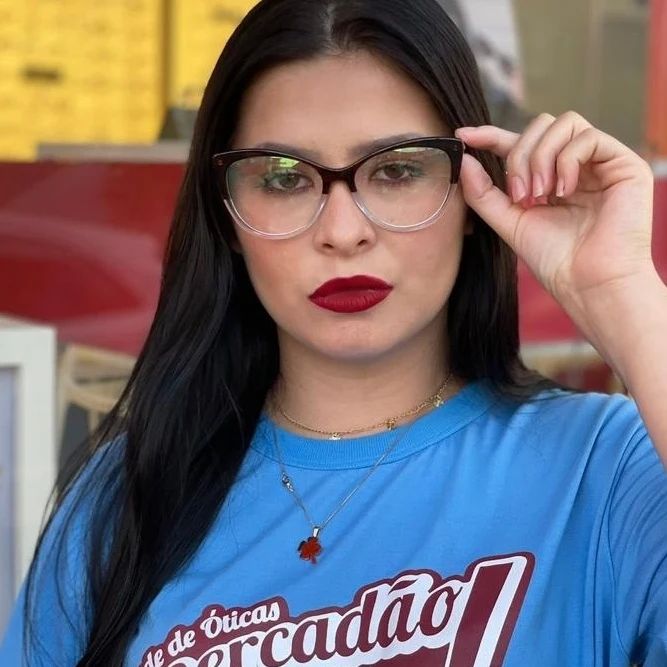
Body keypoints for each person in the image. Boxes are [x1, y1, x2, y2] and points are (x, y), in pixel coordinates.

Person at [2, 0, 666, 665]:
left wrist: (623, 292)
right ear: (227, 214)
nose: (343, 232)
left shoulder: (609, 469)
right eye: (284, 179)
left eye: (397, 170)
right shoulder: (125, 496)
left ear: (470, 193)